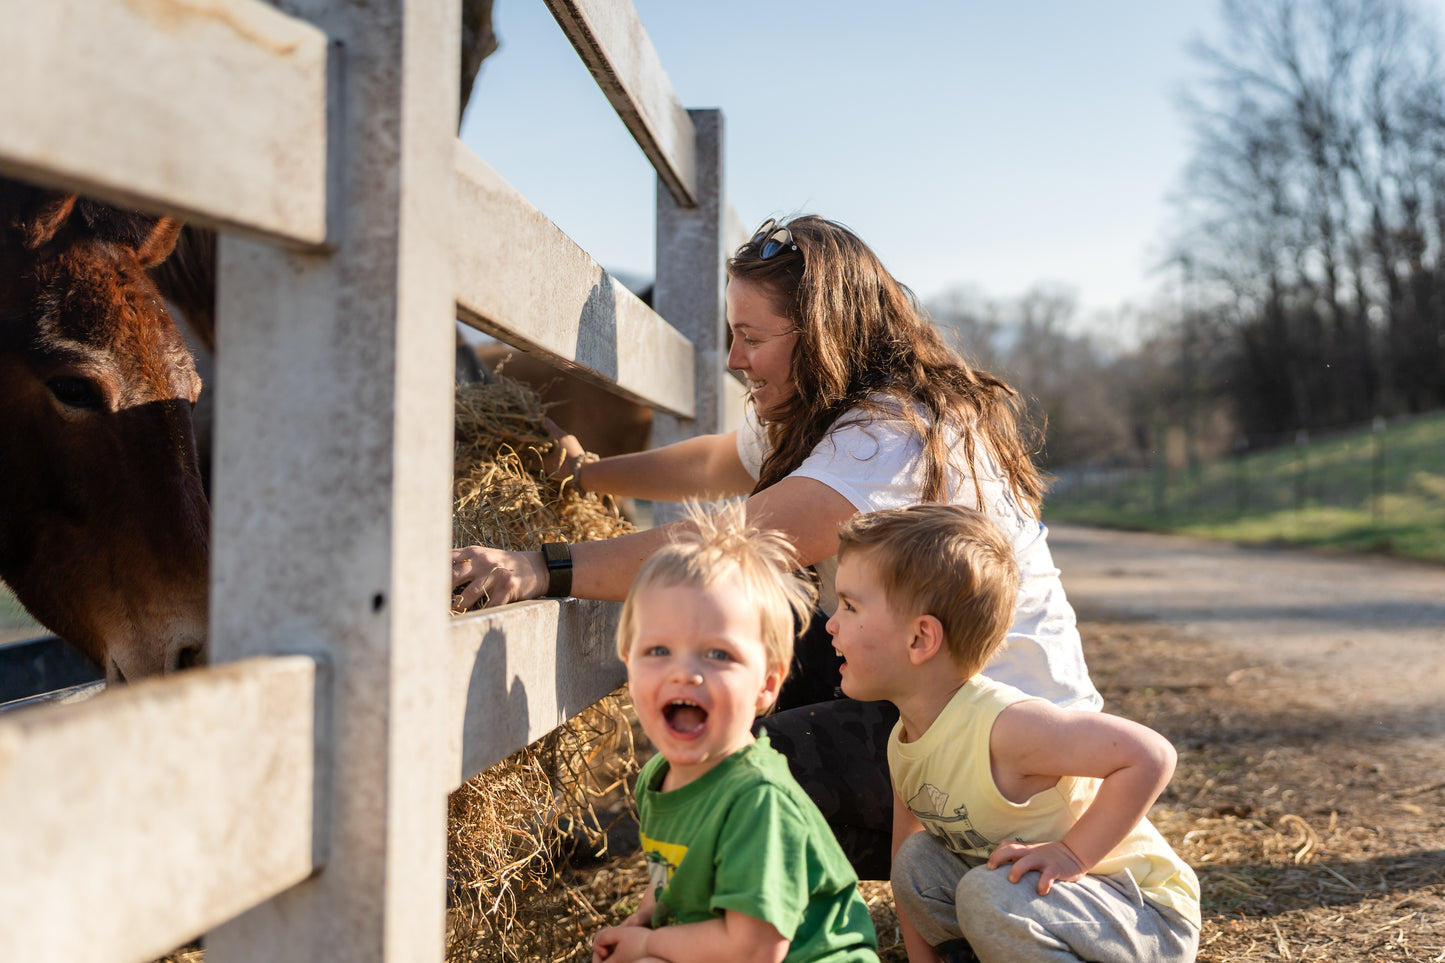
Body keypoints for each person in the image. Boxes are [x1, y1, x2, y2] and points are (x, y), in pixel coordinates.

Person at [452, 214, 1101, 879]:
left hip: (1005, 759)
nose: (735, 360)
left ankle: (945, 871)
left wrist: (541, 567)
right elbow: (710, 463)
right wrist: (588, 472)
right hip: (932, 694)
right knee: (760, 656)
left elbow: (722, 548)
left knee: (730, 779)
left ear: (820, 336)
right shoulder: (822, 411)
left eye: (750, 338)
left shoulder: (885, 437)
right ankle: (882, 872)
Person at [829, 504, 1201, 963]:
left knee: (988, 893)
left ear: (920, 639)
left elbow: (1150, 755)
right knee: (915, 862)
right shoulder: (905, 739)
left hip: (1142, 915)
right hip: (1041, 906)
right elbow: (909, 876)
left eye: (849, 605)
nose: (831, 622)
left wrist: (1072, 854)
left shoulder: (1006, 725)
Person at [592, 504, 878, 963]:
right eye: (658, 650)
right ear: (628, 664)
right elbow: (672, 869)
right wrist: (642, 921)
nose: (684, 673)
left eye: (718, 654)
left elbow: (755, 950)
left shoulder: (757, 800)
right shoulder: (658, 778)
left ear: (766, 685)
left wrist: (648, 944)